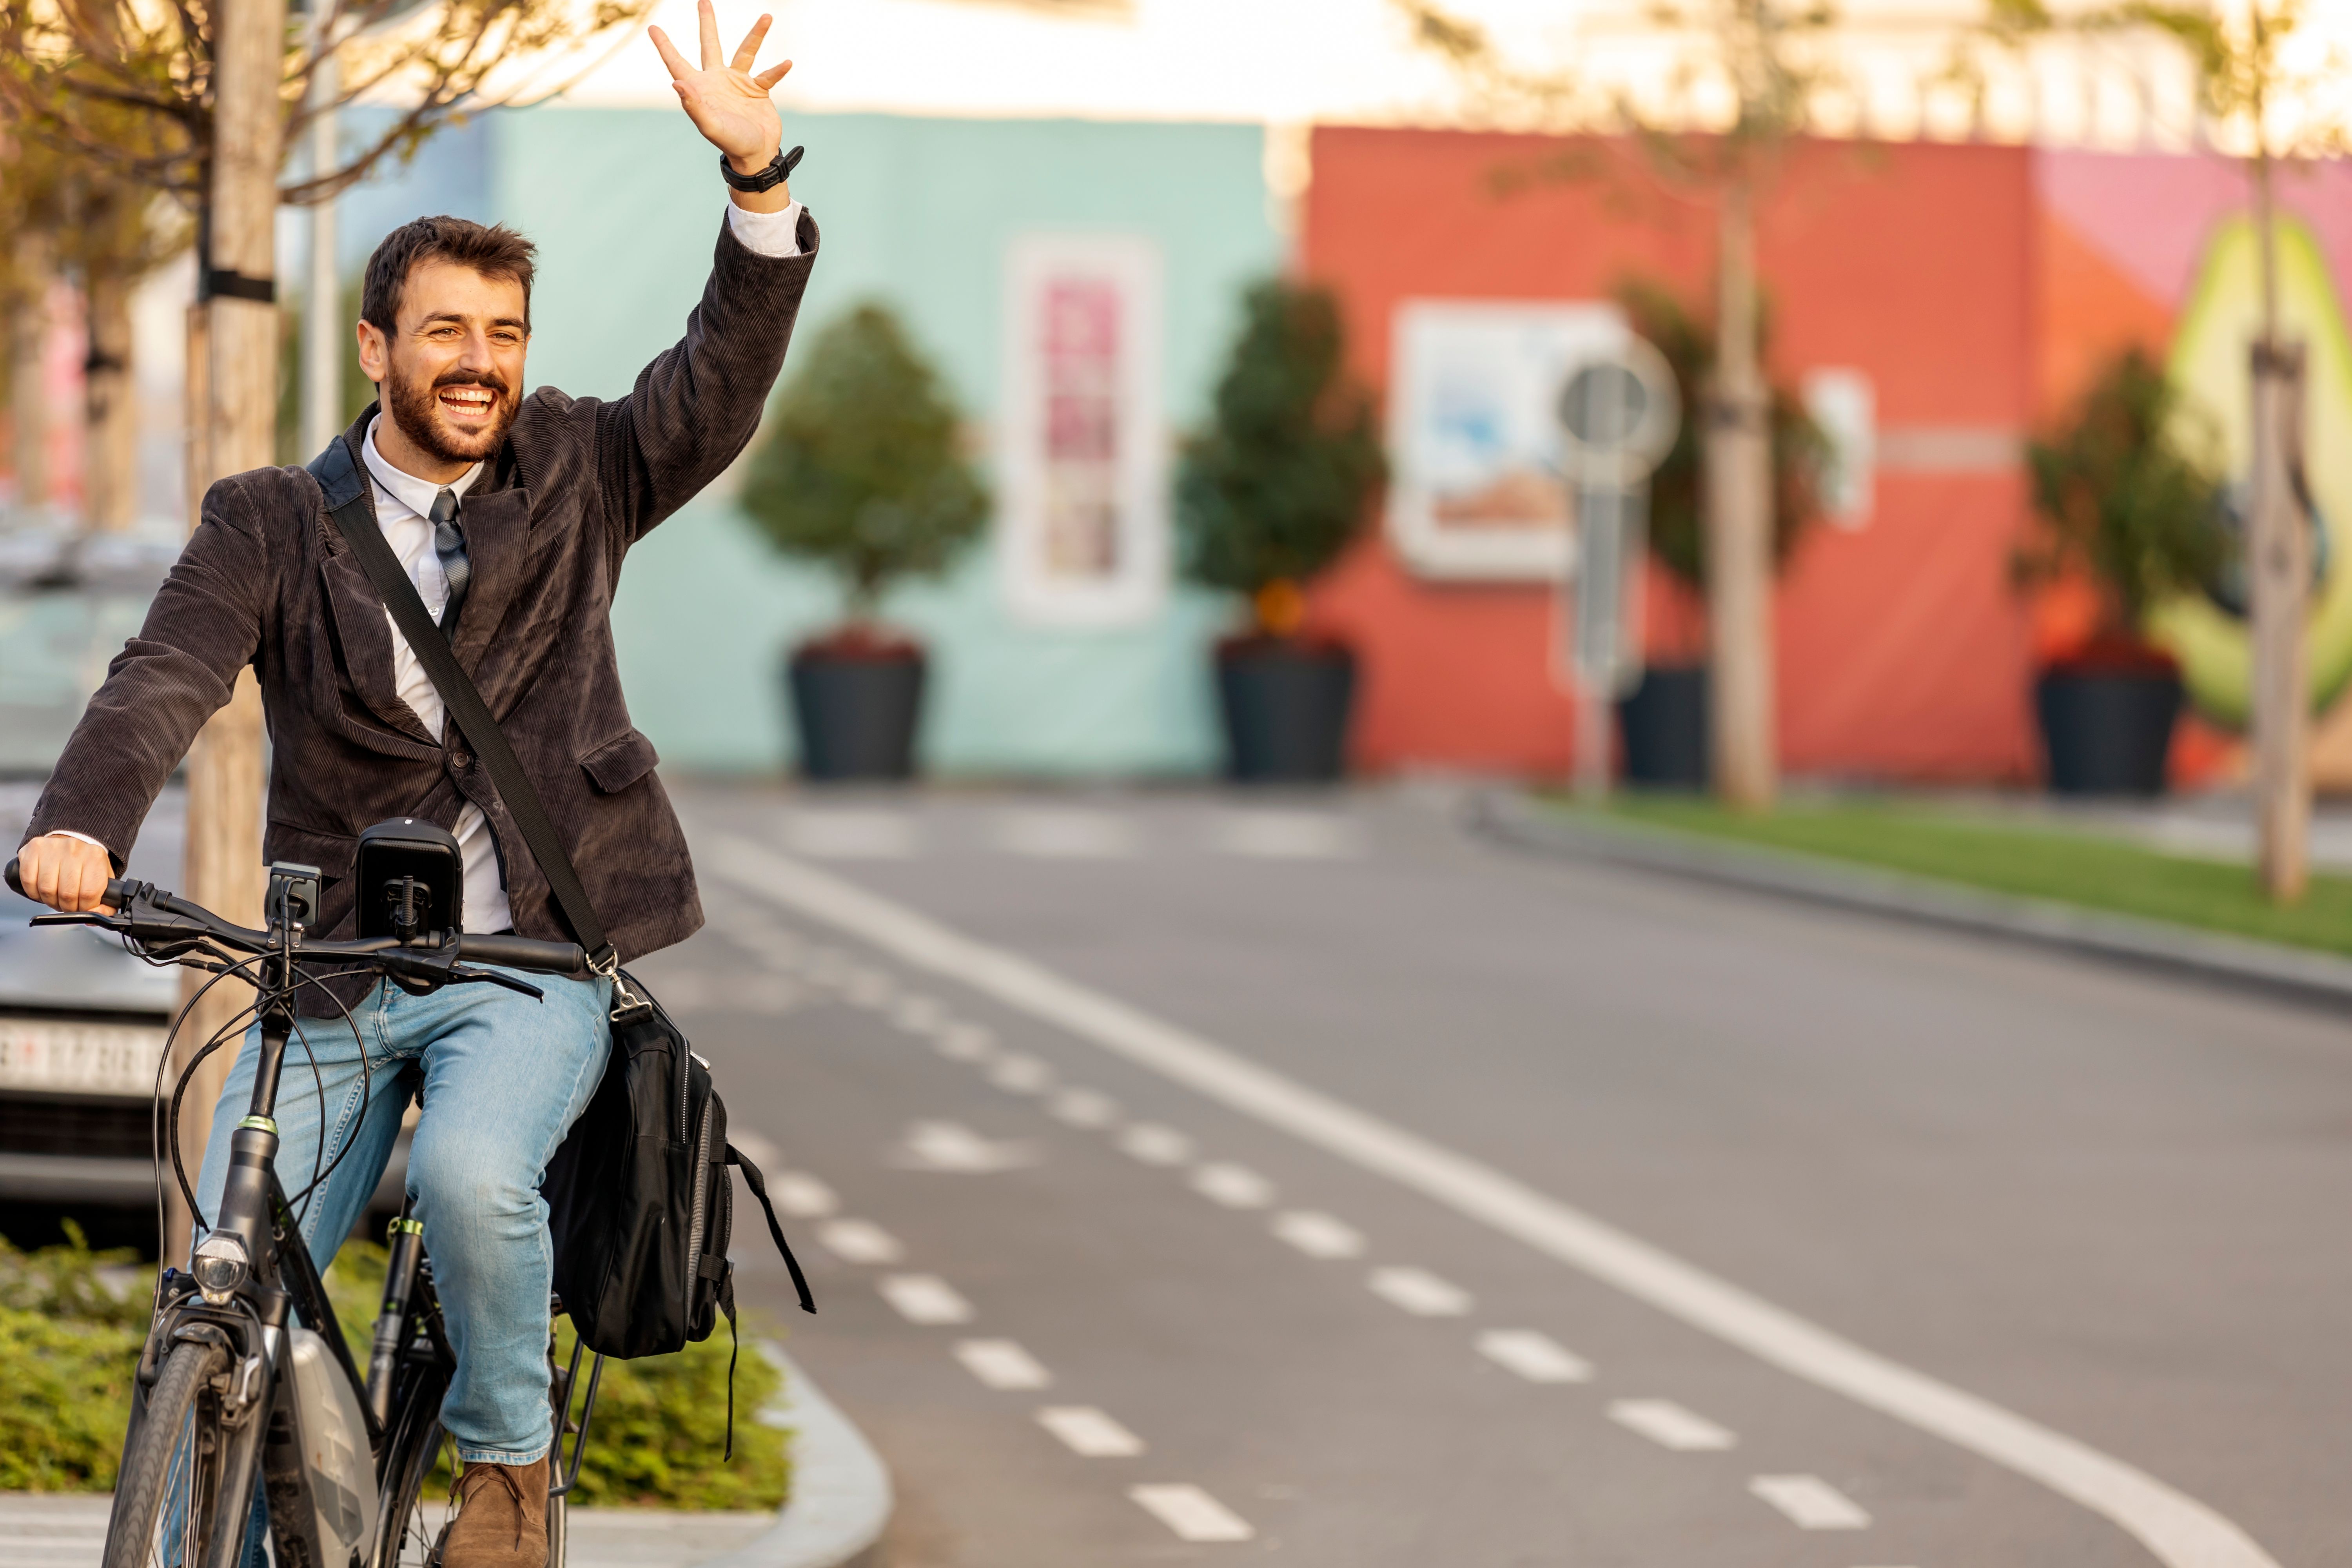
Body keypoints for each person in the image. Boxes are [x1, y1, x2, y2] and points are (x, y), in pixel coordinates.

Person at [13, 6, 813, 1564]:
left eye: (505, 333)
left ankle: (509, 1480)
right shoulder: (270, 521)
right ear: (376, 347)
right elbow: (165, 671)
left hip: (527, 969)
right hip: (329, 974)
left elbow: (718, 380)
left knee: (466, 1169)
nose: (481, 364)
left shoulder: (583, 466)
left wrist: (757, 179)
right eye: (447, 332)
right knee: (227, 1279)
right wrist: (80, 824)